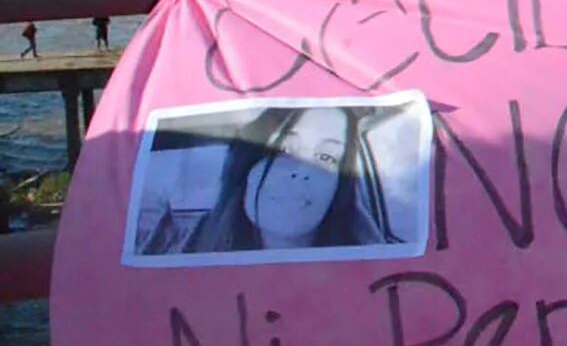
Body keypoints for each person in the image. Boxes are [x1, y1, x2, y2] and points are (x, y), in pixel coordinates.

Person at [142, 106, 398, 255]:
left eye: (325, 156)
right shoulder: (179, 251)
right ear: (246, 166)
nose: (301, 170)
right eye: (283, 150)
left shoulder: (375, 260)